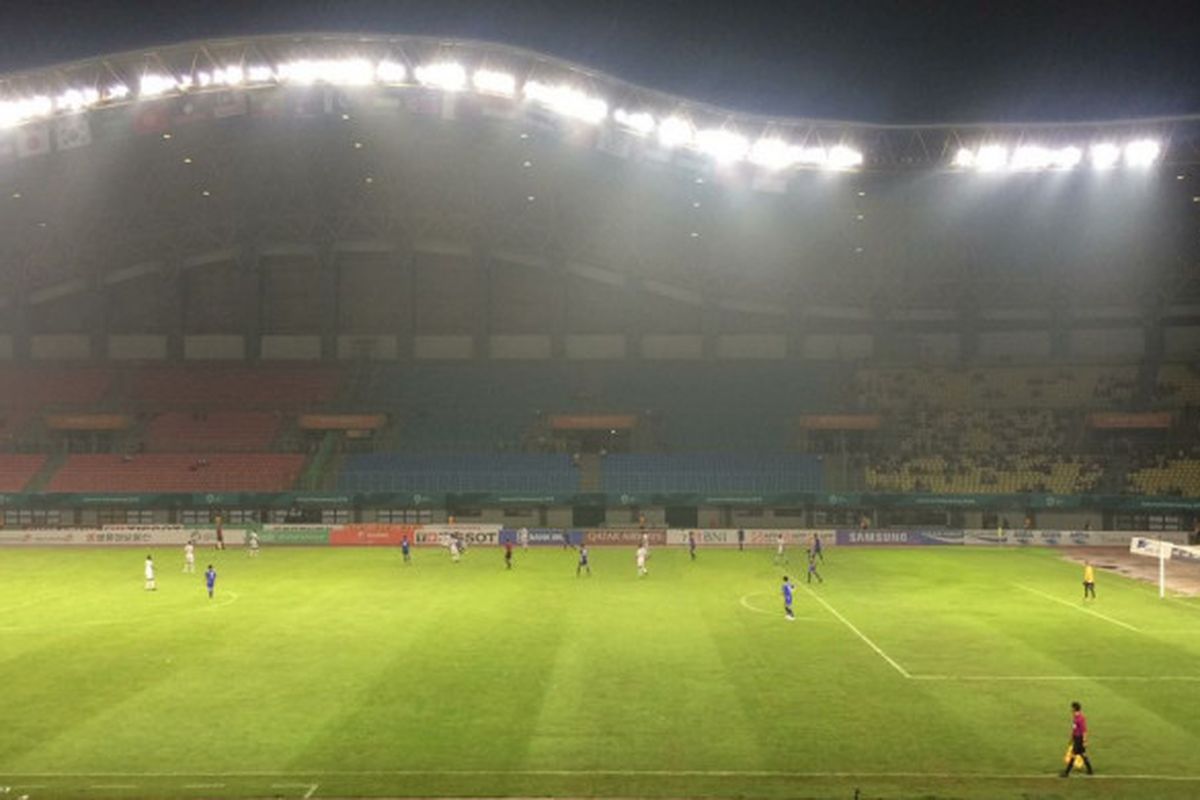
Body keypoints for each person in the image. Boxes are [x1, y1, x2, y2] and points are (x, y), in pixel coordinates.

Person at [1061, 701, 1094, 777]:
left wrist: (1084, 741)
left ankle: (1066, 773)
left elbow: (1084, 730)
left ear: (1074, 708)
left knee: (1073, 754)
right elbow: (1074, 729)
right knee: (1083, 754)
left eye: (1072, 708)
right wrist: (1071, 739)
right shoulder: (1075, 717)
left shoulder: (1080, 718)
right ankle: (1090, 770)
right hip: (1076, 738)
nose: (1071, 709)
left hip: (1079, 739)